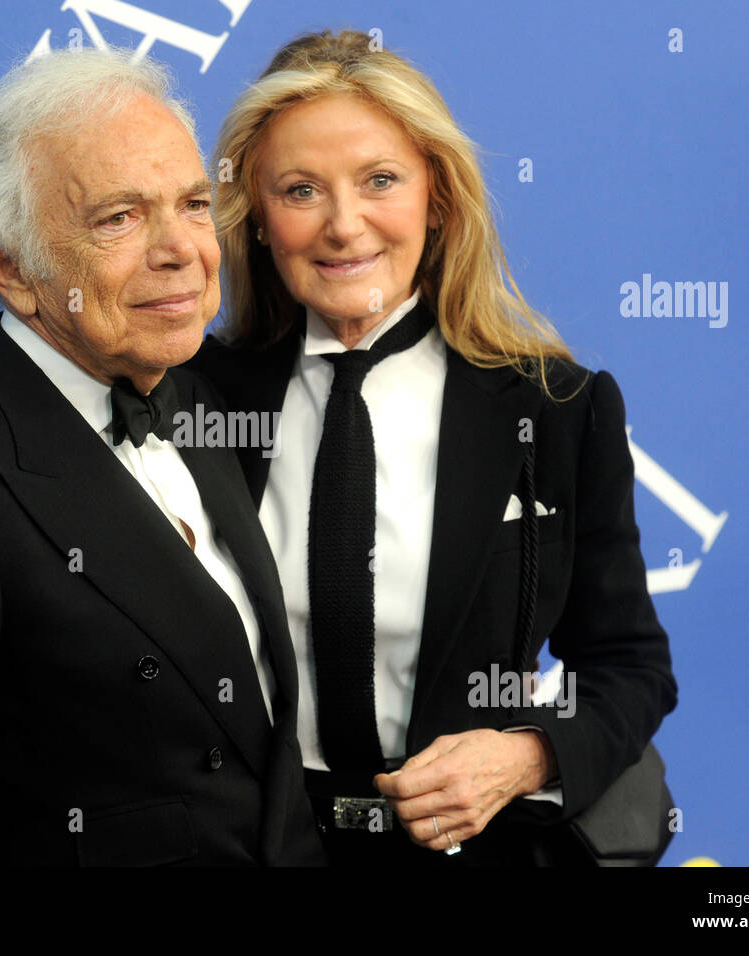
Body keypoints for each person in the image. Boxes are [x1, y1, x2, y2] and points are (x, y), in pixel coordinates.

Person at [0, 48, 324, 866]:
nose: (181, 248)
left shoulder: (185, 395)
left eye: (191, 203)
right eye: (118, 218)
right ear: (11, 268)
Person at [189, 30, 678, 865]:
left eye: (381, 180)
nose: (345, 227)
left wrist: (527, 755)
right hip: (249, 845)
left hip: (479, 848)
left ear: (437, 198)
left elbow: (629, 666)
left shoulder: (558, 407)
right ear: (258, 219)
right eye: (301, 190)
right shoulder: (194, 396)